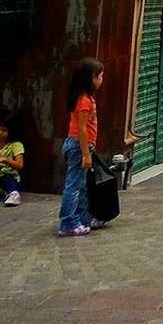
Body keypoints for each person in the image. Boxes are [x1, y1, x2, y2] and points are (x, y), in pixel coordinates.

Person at [59, 58, 105, 236]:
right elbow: (82, 129)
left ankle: (82, 218)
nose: (101, 80)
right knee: (74, 186)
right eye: (100, 76)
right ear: (92, 78)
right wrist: (86, 153)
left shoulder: (83, 97)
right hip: (79, 147)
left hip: (81, 146)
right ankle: (68, 222)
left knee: (81, 185)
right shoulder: (85, 100)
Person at [0, 109, 24, 207]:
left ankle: (13, 194)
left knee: (6, 178)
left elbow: (20, 165)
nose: (0, 132)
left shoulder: (15, 145)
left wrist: (6, 160)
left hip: (8, 174)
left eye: (4, 130)